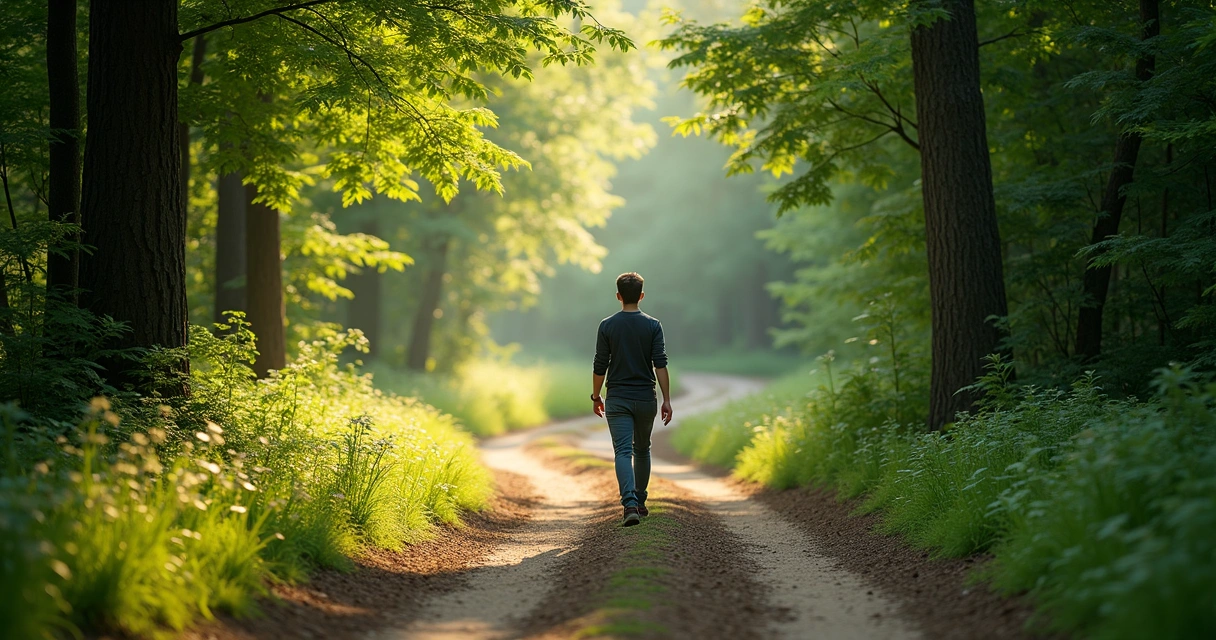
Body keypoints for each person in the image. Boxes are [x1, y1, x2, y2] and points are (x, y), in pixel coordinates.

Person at [591, 272, 673, 527]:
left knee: (623, 452)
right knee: (642, 449)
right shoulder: (653, 325)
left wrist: (596, 396)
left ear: (618, 296)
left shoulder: (607, 325)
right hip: (646, 397)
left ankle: (629, 505)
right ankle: (640, 500)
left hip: (617, 398)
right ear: (641, 296)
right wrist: (666, 399)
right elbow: (660, 364)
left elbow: (600, 364)